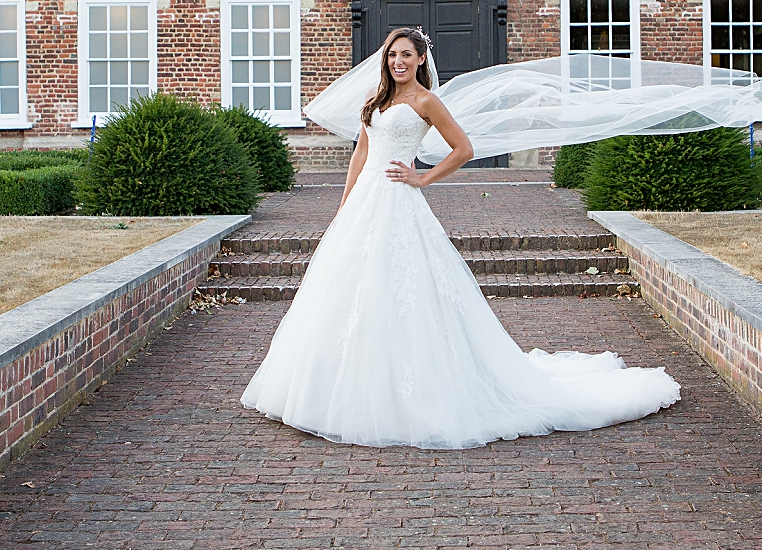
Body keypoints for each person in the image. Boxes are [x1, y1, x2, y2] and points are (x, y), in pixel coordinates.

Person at [240, 27, 680, 450]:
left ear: (420, 60)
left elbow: (464, 149)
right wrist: (343, 204)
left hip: (398, 201)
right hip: (363, 206)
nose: (398, 62)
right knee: (347, 291)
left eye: (406, 55)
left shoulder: (426, 101)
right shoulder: (376, 98)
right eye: (393, 54)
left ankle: (412, 393)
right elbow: (361, 151)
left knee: (406, 291)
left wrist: (423, 178)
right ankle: (333, 387)